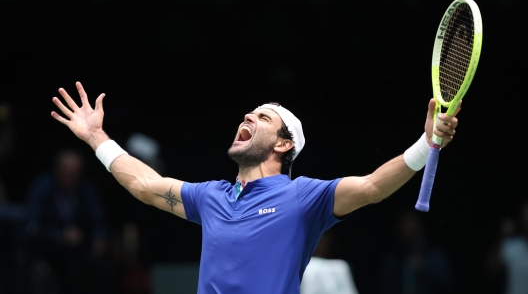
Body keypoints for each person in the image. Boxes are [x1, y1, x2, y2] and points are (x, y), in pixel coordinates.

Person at [50, 82, 460, 294]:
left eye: (262, 117)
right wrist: (95, 137)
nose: (247, 115)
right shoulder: (211, 197)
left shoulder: (304, 198)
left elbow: (371, 186)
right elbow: (144, 184)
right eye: (249, 112)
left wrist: (426, 145)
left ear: (285, 144)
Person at [25, 149, 110, 294]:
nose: (71, 175)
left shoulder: (87, 189)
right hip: (46, 252)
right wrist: (59, 235)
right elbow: (31, 226)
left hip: (78, 253)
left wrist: (99, 238)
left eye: (75, 171)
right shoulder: (42, 187)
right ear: (57, 170)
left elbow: (98, 219)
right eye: (67, 170)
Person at [379, 210, 453, 294]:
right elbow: (385, 287)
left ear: (419, 225)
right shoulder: (393, 260)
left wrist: (424, 267)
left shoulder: (433, 255)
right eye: (404, 224)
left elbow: (446, 282)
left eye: (411, 223)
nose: (407, 228)